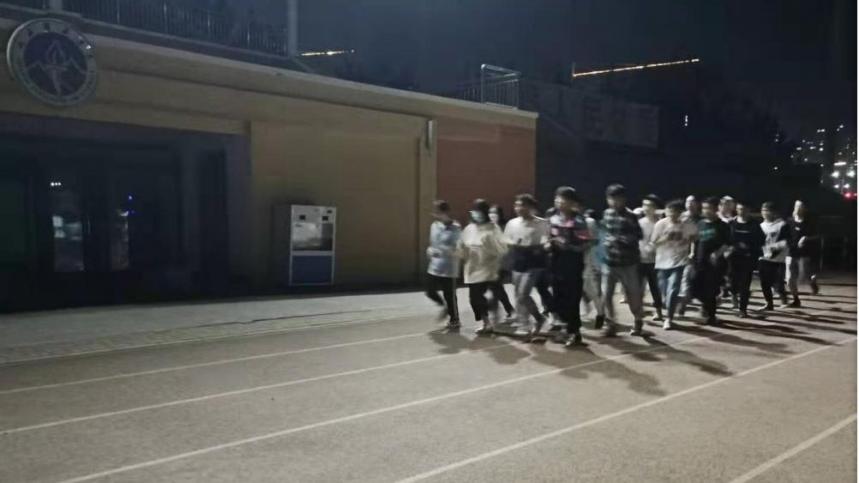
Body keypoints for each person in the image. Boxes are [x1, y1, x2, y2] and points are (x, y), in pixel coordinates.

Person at [546, 187, 590, 347]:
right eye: (557, 198)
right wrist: (548, 244)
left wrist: (568, 246)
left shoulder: (578, 221)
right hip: (555, 263)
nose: (559, 202)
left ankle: (574, 332)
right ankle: (565, 328)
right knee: (558, 297)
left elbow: (585, 244)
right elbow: (548, 237)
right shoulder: (553, 219)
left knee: (572, 299)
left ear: (571, 203)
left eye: (563, 199)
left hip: (572, 265)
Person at [599, 184, 645, 336]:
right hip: (609, 262)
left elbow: (639, 235)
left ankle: (638, 320)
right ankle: (610, 324)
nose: (614, 202)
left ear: (624, 199)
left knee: (633, 295)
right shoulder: (607, 214)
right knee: (606, 295)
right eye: (611, 199)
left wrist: (619, 239)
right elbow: (604, 231)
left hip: (628, 263)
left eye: (617, 199)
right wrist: (605, 241)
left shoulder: (630, 216)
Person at [457, 199, 509, 334]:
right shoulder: (469, 228)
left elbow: (503, 249)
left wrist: (488, 244)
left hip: (488, 268)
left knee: (483, 295)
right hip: (472, 269)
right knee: (474, 299)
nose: (476, 214)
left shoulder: (493, 228)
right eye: (474, 211)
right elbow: (461, 248)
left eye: (479, 211)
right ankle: (486, 321)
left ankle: (494, 317)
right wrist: (462, 250)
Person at [503, 194, 550, 339]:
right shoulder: (512, 223)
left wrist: (541, 246)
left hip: (534, 262)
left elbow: (546, 241)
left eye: (522, 205)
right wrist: (513, 244)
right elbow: (506, 240)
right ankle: (525, 324)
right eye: (517, 205)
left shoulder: (541, 223)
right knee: (518, 296)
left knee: (523, 294)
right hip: (518, 261)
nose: (519, 208)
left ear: (531, 207)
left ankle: (539, 318)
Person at [650, 199, 698, 329]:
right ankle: (671, 306)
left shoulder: (687, 224)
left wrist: (687, 240)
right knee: (665, 293)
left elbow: (696, 236)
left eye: (675, 212)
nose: (672, 214)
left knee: (674, 289)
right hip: (662, 262)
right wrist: (666, 238)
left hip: (679, 261)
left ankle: (669, 319)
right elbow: (653, 242)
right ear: (666, 212)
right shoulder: (661, 224)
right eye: (669, 211)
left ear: (680, 212)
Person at [692, 197, 731, 325]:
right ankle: (706, 306)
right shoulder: (700, 224)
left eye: (709, 208)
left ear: (715, 209)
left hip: (714, 264)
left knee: (710, 290)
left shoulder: (722, 226)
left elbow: (728, 243)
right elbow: (695, 240)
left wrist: (717, 253)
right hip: (699, 261)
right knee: (694, 287)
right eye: (704, 208)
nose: (706, 210)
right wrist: (692, 253)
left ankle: (711, 316)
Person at [425, 200, 462, 330]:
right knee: (430, 291)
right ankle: (444, 307)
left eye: (437, 212)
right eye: (434, 212)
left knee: (449, 295)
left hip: (449, 268)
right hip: (434, 266)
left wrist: (446, 250)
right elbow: (432, 244)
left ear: (445, 212)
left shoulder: (456, 228)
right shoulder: (434, 226)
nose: (435, 215)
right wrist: (429, 250)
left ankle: (455, 319)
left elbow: (459, 249)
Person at [729, 202, 765, 318]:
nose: (742, 211)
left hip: (748, 259)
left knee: (745, 285)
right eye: (739, 209)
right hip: (733, 258)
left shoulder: (754, 224)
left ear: (748, 210)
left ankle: (742, 309)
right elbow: (726, 238)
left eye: (744, 209)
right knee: (733, 283)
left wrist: (749, 247)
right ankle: (733, 294)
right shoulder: (732, 223)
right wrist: (732, 247)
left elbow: (761, 240)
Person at [786, 200, 821, 306]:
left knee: (804, 275)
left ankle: (812, 282)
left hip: (804, 252)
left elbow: (817, 235)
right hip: (791, 251)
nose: (798, 208)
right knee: (789, 278)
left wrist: (806, 238)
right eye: (796, 206)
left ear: (804, 209)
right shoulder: (789, 221)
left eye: (800, 206)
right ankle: (796, 299)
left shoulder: (809, 222)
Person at [759, 202, 791, 310]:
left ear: (774, 212)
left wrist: (773, 251)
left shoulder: (782, 224)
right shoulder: (761, 225)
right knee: (764, 283)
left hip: (778, 259)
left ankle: (784, 300)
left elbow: (786, 241)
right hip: (764, 258)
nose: (764, 213)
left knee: (777, 282)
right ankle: (769, 303)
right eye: (763, 210)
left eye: (767, 210)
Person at [638, 194, 665, 322]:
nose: (646, 208)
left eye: (649, 205)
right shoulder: (639, 222)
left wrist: (653, 247)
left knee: (655, 288)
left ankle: (658, 312)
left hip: (656, 261)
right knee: (638, 288)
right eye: (644, 205)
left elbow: (663, 240)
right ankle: (639, 311)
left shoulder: (661, 223)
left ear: (655, 207)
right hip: (640, 260)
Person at [489, 204, 517, 322]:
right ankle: (506, 310)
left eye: (494, 213)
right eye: (490, 213)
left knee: (495, 286)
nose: (492, 215)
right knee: (495, 287)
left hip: (504, 262)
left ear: (500, 214)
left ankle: (504, 310)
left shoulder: (505, 227)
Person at [677, 195, 702, 316]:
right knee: (684, 280)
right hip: (680, 253)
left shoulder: (701, 219)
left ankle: (703, 306)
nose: (690, 204)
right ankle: (682, 304)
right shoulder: (680, 217)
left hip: (697, 254)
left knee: (696, 280)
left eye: (692, 202)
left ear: (697, 204)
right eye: (688, 202)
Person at [581, 208, 605, 327]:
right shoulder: (567, 221)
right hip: (575, 262)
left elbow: (594, 241)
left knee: (589, 289)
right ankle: (599, 312)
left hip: (585, 261)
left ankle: (600, 313)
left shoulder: (588, 222)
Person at [718, 196, 738, 307]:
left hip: (731, 252)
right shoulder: (716, 219)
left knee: (732, 275)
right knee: (718, 275)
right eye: (725, 204)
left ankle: (734, 297)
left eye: (730, 204)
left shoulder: (735, 219)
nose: (728, 206)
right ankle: (720, 295)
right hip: (718, 251)